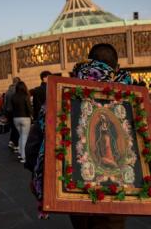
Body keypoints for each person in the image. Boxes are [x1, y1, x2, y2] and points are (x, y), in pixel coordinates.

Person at [31, 43, 131, 228]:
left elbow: (33, 146)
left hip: (75, 186)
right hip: (116, 188)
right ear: (116, 68)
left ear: (88, 62)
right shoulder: (131, 98)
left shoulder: (61, 93)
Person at [11, 81, 32, 163]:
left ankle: (20, 153)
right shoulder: (26, 96)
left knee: (21, 136)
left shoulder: (13, 97)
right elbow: (29, 108)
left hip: (16, 118)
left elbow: (12, 108)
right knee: (25, 137)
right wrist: (32, 115)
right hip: (25, 117)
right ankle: (24, 156)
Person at [4, 77, 21, 150]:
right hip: (15, 111)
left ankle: (11, 141)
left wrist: (5, 113)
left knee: (13, 127)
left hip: (8, 111)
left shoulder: (7, 91)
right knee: (16, 128)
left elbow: (5, 103)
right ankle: (16, 143)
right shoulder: (17, 90)